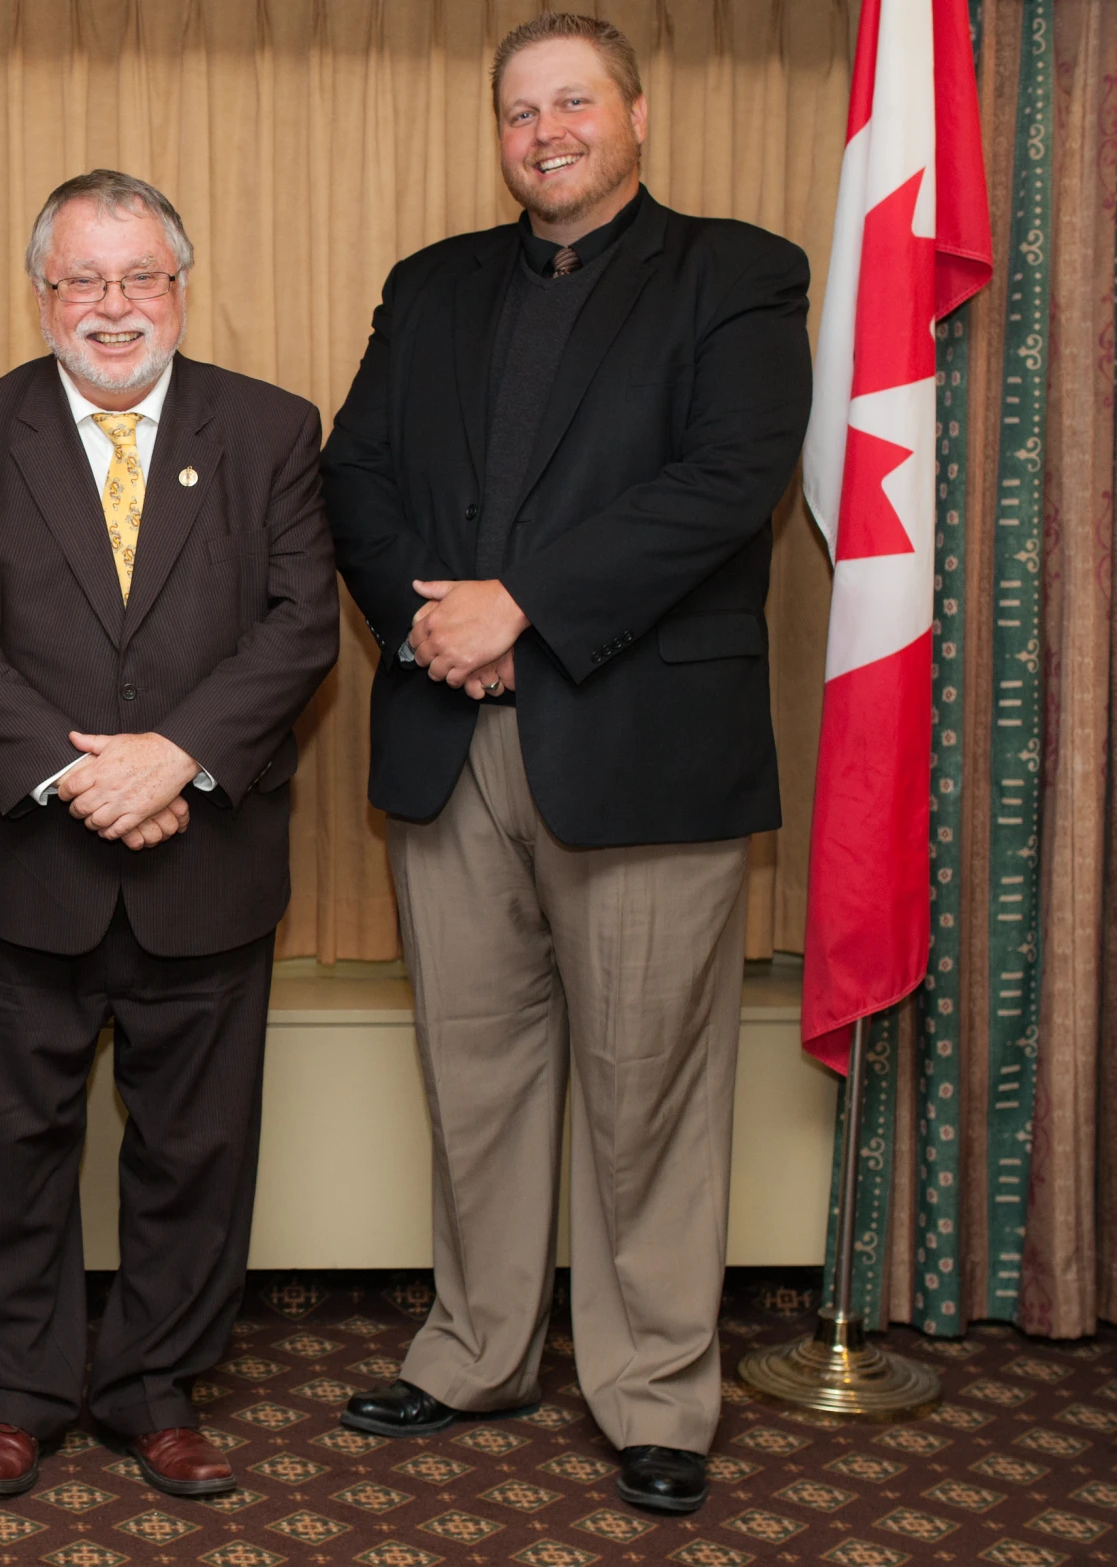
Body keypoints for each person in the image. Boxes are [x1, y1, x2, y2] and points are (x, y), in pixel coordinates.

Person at [320, 13, 812, 1517]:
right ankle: (474, 1349)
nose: (545, 131)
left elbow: (727, 485)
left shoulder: (736, 273)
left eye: (573, 103)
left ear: (635, 116)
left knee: (646, 1081)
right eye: (519, 110)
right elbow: (358, 473)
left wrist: (520, 608)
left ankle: (655, 1388)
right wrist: (432, 621)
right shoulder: (432, 284)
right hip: (448, 736)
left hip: (639, 744)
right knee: (472, 1076)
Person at [0, 169, 342, 1500]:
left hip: (201, 855)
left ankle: (157, 1386)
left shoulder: (268, 429)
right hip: (26, 857)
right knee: (15, 1138)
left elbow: (298, 623)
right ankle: (21, 1391)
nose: (111, 306)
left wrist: (173, 758)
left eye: (137, 276)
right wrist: (66, 773)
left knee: (194, 1146)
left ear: (178, 288)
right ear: (41, 294)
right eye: (81, 279)